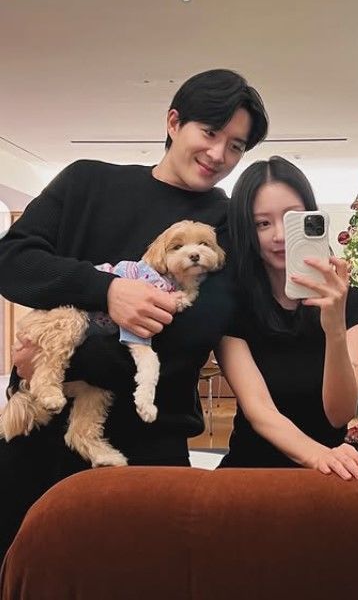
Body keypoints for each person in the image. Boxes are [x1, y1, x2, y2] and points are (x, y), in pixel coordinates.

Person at [0, 68, 268, 563]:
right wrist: (106, 289)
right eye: (210, 132)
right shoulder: (86, 182)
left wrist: (57, 359)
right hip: (39, 436)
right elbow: (12, 262)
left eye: (235, 146)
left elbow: (188, 340)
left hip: (148, 449)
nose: (218, 155)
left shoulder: (225, 226)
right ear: (173, 122)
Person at [217, 156, 358, 481]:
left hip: (332, 474)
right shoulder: (232, 307)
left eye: (291, 219)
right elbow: (259, 410)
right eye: (262, 224)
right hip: (252, 473)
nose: (279, 235)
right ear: (246, 230)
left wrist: (335, 328)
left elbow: (339, 414)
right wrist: (319, 455)